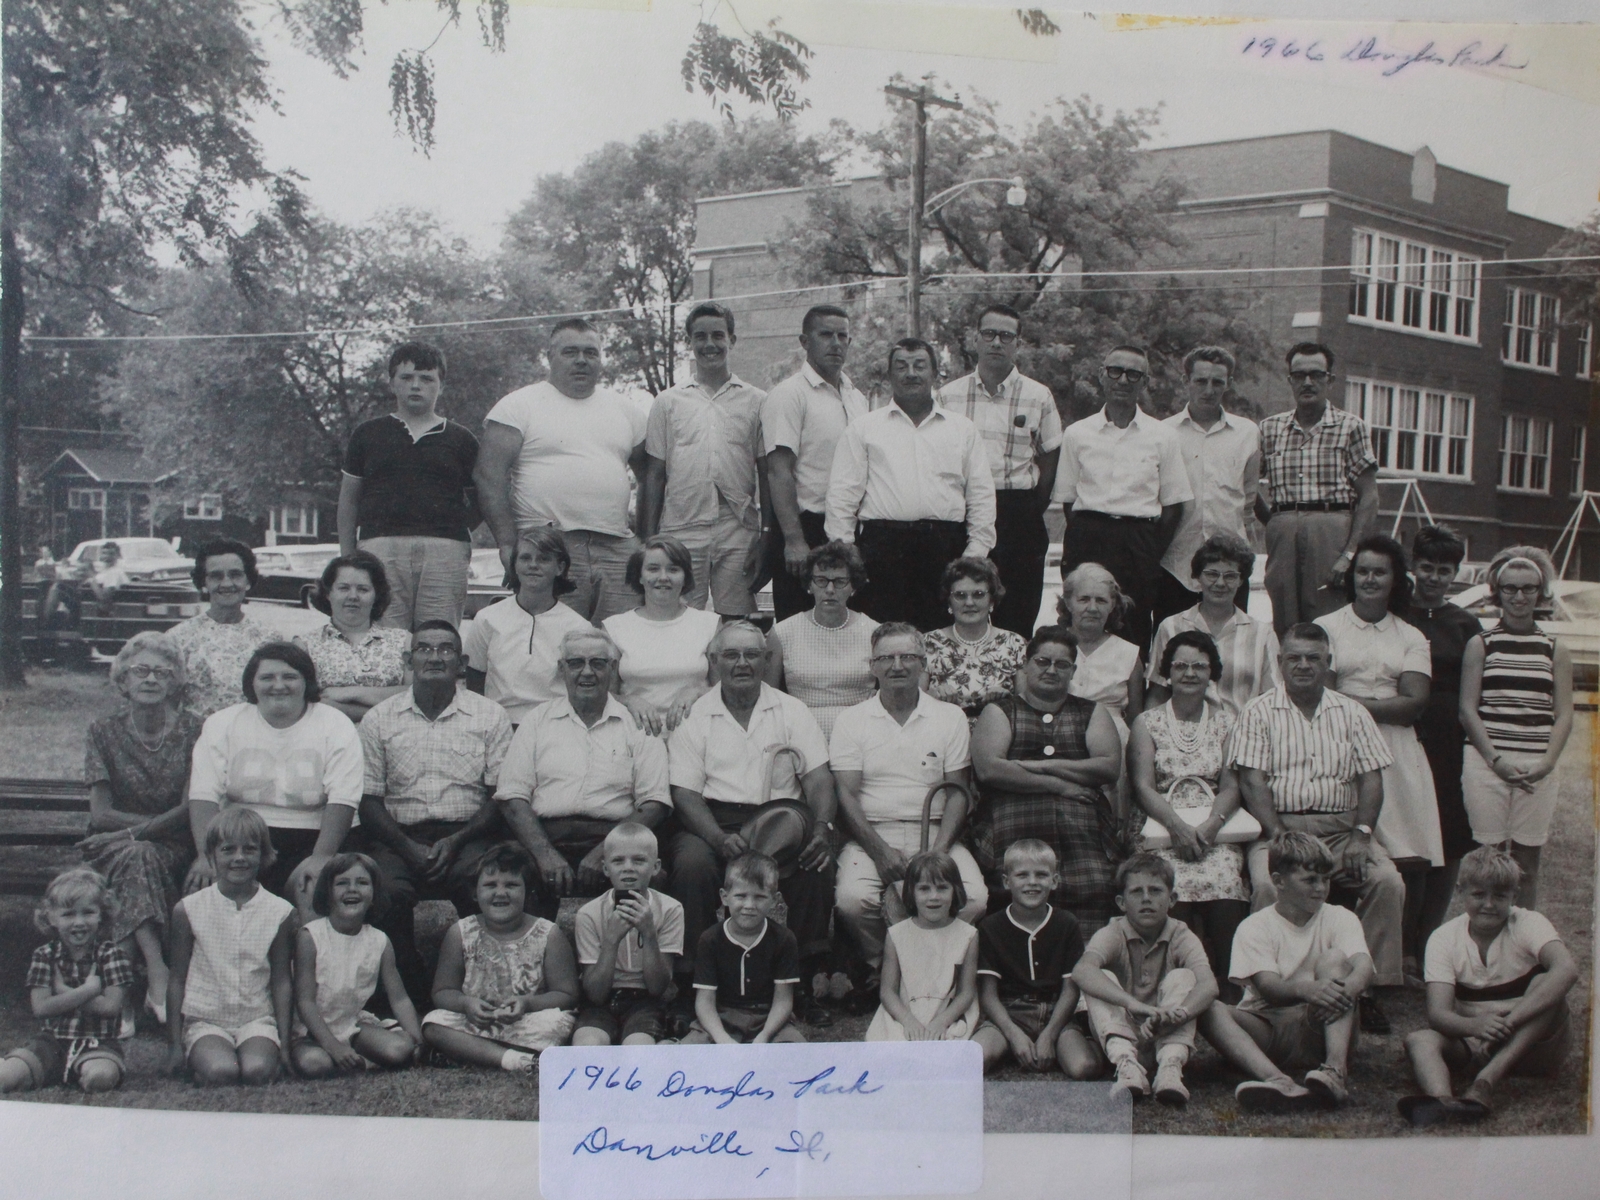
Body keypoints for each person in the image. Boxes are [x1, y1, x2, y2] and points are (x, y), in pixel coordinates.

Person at [1232, 623, 1404, 1032]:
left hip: (1341, 831)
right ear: (1280, 662)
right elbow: (1252, 781)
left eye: (1313, 658)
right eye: (1294, 658)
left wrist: (1362, 835)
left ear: (1328, 662)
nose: (1304, 665)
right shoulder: (1258, 711)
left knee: (1387, 882)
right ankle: (1272, 989)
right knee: (1268, 885)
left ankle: (1363, 991)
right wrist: (1277, 833)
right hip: (1280, 828)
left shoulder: (1352, 712)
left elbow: (1371, 779)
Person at [666, 621, 837, 1021]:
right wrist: (716, 837)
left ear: (766, 659)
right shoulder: (696, 715)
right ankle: (694, 982)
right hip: (714, 820)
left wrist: (821, 829)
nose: (741, 663)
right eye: (731, 655)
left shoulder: (792, 710)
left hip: (782, 820)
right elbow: (685, 794)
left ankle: (801, 983)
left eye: (751, 655)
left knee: (816, 864)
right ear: (713, 661)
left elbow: (818, 780)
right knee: (691, 864)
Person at [356, 621, 514, 1004]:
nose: (435, 657)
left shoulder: (490, 715)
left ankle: (485, 990)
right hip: (398, 836)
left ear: (462, 662)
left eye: (445, 649)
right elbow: (369, 800)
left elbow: (500, 796)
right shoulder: (379, 718)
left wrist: (457, 840)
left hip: (469, 834)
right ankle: (409, 995)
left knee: (486, 885)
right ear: (408, 660)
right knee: (383, 891)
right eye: (424, 649)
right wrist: (406, 846)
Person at [1315, 535, 1443, 987]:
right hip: (1336, 746)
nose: (1369, 579)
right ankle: (1333, 957)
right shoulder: (1326, 627)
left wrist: (1349, 703)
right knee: (1346, 851)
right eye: (1363, 571)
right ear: (1352, 577)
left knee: (1404, 856)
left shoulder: (1411, 636)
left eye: (1379, 572)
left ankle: (1393, 959)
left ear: (1395, 580)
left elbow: (1414, 703)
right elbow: (1319, 695)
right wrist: (1374, 704)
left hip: (1397, 750)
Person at [832, 623, 987, 975]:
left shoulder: (950, 717)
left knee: (974, 899)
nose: (897, 666)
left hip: (935, 833)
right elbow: (846, 795)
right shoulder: (851, 720)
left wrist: (937, 853)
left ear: (923, 663)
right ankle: (886, 967)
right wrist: (879, 852)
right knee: (853, 901)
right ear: (872, 666)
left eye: (907, 657)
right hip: (872, 835)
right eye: (886, 658)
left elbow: (957, 793)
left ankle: (937, 968)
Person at [475, 317, 648, 624]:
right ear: (550, 356)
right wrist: (507, 543)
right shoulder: (518, 405)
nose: (581, 360)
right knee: (553, 640)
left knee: (619, 640)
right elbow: (489, 477)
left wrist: (645, 539)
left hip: (617, 547)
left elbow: (651, 476)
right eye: (570, 352)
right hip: (549, 545)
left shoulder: (626, 410)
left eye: (590, 352)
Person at [1399, 846, 1579, 1126]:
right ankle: (1444, 1101)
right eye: (1478, 894)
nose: (1489, 904)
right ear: (1460, 892)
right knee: (1419, 1040)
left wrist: (1507, 1025)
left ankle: (1484, 1083)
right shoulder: (1444, 938)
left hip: (1535, 1046)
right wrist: (1477, 1027)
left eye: (1500, 896)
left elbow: (1567, 970)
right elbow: (1438, 1014)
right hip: (1478, 1043)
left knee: (1546, 982)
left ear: (1515, 896)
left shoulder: (1528, 923)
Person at [825, 337, 997, 631]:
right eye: (901, 366)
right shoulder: (865, 429)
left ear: (935, 373)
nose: (911, 373)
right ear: (890, 375)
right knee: (882, 636)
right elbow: (842, 497)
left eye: (919, 365)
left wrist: (973, 555)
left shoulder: (962, 430)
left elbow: (981, 497)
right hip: (882, 550)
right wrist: (848, 555)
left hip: (944, 548)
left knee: (941, 636)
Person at [495, 628, 671, 907]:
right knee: (508, 870)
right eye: (576, 663)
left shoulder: (637, 724)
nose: (587, 672)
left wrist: (605, 851)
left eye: (597, 663)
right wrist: (545, 854)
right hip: (545, 833)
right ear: (561, 669)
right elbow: (512, 796)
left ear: (613, 668)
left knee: (648, 875)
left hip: (615, 835)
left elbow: (654, 803)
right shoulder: (536, 720)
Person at [77, 631, 202, 1022]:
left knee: (139, 855)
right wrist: (143, 832)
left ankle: (121, 993)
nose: (150, 679)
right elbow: (100, 814)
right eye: (140, 671)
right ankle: (157, 971)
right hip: (113, 846)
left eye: (161, 672)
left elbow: (190, 808)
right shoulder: (102, 730)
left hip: (172, 846)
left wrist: (131, 832)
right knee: (139, 856)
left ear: (175, 682)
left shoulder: (196, 730)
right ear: (123, 679)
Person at [187, 641, 363, 914]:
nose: (278, 685)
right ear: (252, 683)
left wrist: (321, 858)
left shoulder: (335, 723)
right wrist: (206, 855)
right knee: (204, 889)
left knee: (313, 887)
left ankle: (309, 942)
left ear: (306, 681)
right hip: (242, 838)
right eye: (267, 677)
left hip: (315, 837)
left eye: (289, 677)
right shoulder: (222, 723)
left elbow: (343, 797)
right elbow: (203, 794)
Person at [971, 626, 1123, 932]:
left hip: (1083, 832)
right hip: (1011, 828)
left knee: (1094, 889)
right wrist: (1059, 785)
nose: (1051, 670)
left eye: (1062, 664)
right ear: (1025, 666)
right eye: (1042, 661)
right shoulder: (1000, 711)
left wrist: (1042, 765)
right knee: (1010, 893)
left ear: (1073, 671)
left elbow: (1108, 767)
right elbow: (990, 770)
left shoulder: (1092, 712)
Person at [1128, 631, 1252, 993]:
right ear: (1167, 671)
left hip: (1216, 828)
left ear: (1213, 672)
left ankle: (1229, 991)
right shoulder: (1147, 722)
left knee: (1227, 881)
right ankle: (1172, 990)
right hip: (1161, 827)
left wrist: (1212, 825)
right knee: (1168, 885)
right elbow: (1143, 787)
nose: (1190, 673)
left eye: (1199, 666)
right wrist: (1177, 827)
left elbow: (1231, 786)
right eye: (1181, 665)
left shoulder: (1227, 721)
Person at [1053, 344, 1193, 650]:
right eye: (1115, 371)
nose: (1123, 380)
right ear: (1102, 375)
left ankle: (1132, 682)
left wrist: (1149, 549)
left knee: (1133, 624)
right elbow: (1068, 500)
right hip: (1088, 536)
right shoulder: (1077, 433)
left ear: (1145, 382)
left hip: (1138, 542)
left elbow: (1174, 506)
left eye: (1133, 374)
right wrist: (1089, 532)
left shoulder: (1163, 436)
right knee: (1082, 619)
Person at [936, 304, 1063, 636]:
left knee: (1017, 615)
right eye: (989, 334)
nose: (996, 342)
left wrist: (1030, 507)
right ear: (975, 339)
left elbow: (1051, 456)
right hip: (962, 515)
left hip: (1018, 515)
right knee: (957, 607)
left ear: (1018, 343)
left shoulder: (1038, 396)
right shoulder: (948, 397)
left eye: (1006, 336)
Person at [1223, 831, 1374, 1109]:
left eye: (1325, 879)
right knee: (1211, 1008)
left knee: (1334, 960)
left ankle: (1335, 1071)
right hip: (1268, 1027)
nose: (1320, 888)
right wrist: (1307, 989)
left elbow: (1363, 966)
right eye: (1310, 880)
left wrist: (1341, 992)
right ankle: (1278, 1081)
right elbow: (1269, 988)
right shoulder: (1255, 926)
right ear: (1279, 881)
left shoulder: (1341, 917)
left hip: (1323, 1025)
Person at [1459, 546, 1574, 909]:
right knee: (1486, 862)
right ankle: (1485, 933)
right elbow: (1467, 710)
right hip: (1486, 764)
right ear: (1498, 592)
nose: (1519, 596)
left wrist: (1546, 764)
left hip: (1536, 766)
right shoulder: (1481, 644)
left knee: (1527, 865)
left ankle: (1523, 938)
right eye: (1510, 588)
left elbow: (1565, 714)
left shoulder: (1555, 648)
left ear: (1541, 593)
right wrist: (1496, 762)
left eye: (1528, 588)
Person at [338, 342, 479, 631]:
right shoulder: (367, 434)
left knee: (438, 636)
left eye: (426, 378)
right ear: (392, 383)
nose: (416, 385)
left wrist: (452, 527)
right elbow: (349, 500)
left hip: (445, 552)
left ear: (441, 385)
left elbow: (483, 499)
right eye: (406, 377)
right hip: (380, 548)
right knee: (384, 638)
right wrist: (348, 559)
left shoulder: (461, 439)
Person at [640, 302, 770, 617]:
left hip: (737, 526)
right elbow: (654, 474)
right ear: (690, 342)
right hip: (681, 526)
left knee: (737, 620)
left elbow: (767, 473)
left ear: (732, 340)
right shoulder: (668, 402)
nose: (709, 344)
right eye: (700, 337)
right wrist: (648, 540)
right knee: (679, 618)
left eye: (717, 335)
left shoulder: (757, 401)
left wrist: (766, 535)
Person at [164, 807, 296, 1086]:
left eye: (249, 849)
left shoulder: (280, 911)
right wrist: (174, 1046)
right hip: (206, 1019)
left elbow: (282, 980)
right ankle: (200, 1058)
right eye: (228, 849)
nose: (239, 857)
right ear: (211, 855)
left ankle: (263, 1054)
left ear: (263, 854)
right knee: (222, 1071)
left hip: (256, 1019)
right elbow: (176, 979)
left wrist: (284, 1045)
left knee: (257, 1071)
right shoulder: (188, 909)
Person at [1073, 853, 1218, 1104]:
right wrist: (1132, 1003)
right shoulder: (1113, 931)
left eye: (1155, 890)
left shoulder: (1181, 934)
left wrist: (1179, 1014)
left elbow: (1209, 985)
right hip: (1121, 1033)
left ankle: (1170, 1068)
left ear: (1172, 899)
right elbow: (1082, 971)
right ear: (1121, 902)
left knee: (1184, 976)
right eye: (1137, 892)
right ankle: (1127, 1067)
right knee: (1099, 977)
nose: (1146, 898)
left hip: (1166, 1032)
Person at [1255, 343, 1378, 635]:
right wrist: (1274, 521)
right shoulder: (1269, 428)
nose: (1307, 382)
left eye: (1316, 375)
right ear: (1290, 380)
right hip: (1283, 529)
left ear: (1330, 379)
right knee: (1284, 619)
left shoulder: (1351, 427)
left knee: (1328, 619)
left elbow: (1369, 497)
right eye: (1299, 375)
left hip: (1331, 529)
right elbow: (1247, 487)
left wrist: (1349, 554)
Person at [422, 842, 578, 1068]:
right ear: (475, 893)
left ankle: (472, 1052)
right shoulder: (460, 932)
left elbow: (567, 994)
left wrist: (527, 1003)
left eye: (512, 885)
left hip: (527, 1019)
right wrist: (466, 1004)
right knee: (433, 1023)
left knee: (556, 1024)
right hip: (476, 1020)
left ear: (528, 892)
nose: (501, 893)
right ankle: (516, 1059)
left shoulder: (548, 934)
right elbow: (442, 992)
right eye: (490, 885)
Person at [1406, 524, 1486, 951]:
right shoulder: (1397, 612)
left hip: (1447, 740)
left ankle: (1429, 940)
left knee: (1448, 832)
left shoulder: (1465, 623)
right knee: (1410, 832)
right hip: (1404, 732)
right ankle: (1404, 942)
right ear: (1413, 566)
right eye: (1426, 567)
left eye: (1444, 570)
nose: (1434, 577)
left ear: (1455, 573)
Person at [762, 305, 868, 621]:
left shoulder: (857, 398)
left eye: (842, 336)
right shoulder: (789, 395)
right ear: (805, 341)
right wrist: (794, 539)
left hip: (850, 528)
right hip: (806, 528)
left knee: (848, 626)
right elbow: (778, 471)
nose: (835, 343)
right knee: (799, 626)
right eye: (825, 335)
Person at [0, 867, 133, 1095]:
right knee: (5, 1077)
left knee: (101, 1077)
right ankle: (29, 1067)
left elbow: (110, 1007)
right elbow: (41, 1008)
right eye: (68, 914)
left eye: (88, 912)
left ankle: (83, 1071)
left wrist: (62, 991)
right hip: (49, 1043)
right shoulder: (44, 955)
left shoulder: (112, 955)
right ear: (52, 918)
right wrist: (87, 990)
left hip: (97, 1043)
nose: (79, 922)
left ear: (101, 914)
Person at [971, 840, 1099, 1078]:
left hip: (1054, 1013)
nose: (1032, 882)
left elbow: (1070, 990)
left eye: (1041, 875)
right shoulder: (990, 926)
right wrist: (1013, 1035)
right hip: (1009, 1014)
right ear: (1007, 881)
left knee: (1083, 1067)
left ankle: (1082, 1041)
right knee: (973, 1059)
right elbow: (988, 995)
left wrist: (1050, 1035)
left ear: (1055, 880)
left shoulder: (1067, 923)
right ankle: (1014, 1046)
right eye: (1022, 875)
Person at [291, 853, 425, 1077]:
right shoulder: (310, 937)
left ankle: (355, 1057)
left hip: (351, 1024)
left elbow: (399, 999)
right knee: (316, 1064)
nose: (352, 889)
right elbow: (305, 1002)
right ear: (327, 893)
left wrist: (417, 1040)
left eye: (362, 883)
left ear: (374, 895)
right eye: (342, 883)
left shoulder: (379, 940)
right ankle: (346, 1057)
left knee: (400, 1049)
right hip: (311, 1030)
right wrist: (333, 1047)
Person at [1153, 346, 1259, 628]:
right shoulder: (1163, 432)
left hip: (1230, 567)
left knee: (1230, 643)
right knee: (1172, 643)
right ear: (1186, 380)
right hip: (1176, 564)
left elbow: (1248, 500)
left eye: (1217, 382)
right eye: (1201, 381)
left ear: (1229, 383)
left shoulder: (1248, 433)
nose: (1209, 390)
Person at [463, 527, 595, 726]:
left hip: (555, 725)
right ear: (514, 565)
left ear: (560, 568)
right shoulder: (487, 619)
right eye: (525, 558)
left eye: (543, 559)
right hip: (499, 725)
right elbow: (474, 680)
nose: (533, 565)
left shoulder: (578, 627)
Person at [572, 823, 684, 1047]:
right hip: (602, 1002)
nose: (628, 868)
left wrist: (649, 933)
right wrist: (611, 939)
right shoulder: (589, 914)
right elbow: (595, 994)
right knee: (586, 1045)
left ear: (655, 867)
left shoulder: (671, 909)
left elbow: (657, 987)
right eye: (618, 861)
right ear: (606, 868)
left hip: (647, 1001)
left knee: (637, 1047)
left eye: (639, 860)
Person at [1146, 534, 1279, 720]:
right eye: (1212, 574)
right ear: (1197, 577)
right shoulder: (1171, 627)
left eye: (1230, 576)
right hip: (1185, 730)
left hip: (1244, 730)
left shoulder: (1262, 634)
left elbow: (1272, 698)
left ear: (1241, 580)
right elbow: (1158, 693)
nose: (1220, 583)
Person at [682, 852, 807, 1045]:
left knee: (795, 1047)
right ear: (724, 897)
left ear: (774, 900)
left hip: (767, 1017)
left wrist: (765, 1036)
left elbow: (783, 1001)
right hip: (721, 1016)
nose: (749, 905)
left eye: (760, 897)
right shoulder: (710, 939)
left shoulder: (784, 939)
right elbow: (705, 1002)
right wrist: (722, 1038)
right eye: (740, 896)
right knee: (691, 1048)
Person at [602, 534, 719, 735]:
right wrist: (628, 701)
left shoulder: (710, 624)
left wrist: (698, 691)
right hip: (635, 734)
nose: (663, 577)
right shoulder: (614, 628)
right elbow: (603, 694)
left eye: (673, 569)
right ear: (639, 576)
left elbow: (727, 690)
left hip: (698, 733)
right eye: (653, 569)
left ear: (685, 576)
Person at [764, 540, 879, 740]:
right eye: (821, 580)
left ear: (853, 587)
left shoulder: (874, 632)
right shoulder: (782, 632)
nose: (830, 589)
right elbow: (768, 698)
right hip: (800, 733)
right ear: (809, 585)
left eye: (840, 581)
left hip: (862, 733)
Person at [864, 850, 981, 1042]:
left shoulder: (968, 935)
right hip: (905, 1013)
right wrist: (908, 1021)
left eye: (942, 888)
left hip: (948, 1014)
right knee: (891, 1046)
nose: (934, 896)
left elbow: (966, 993)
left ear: (955, 890)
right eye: (924, 889)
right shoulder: (897, 934)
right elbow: (887, 992)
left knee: (952, 1045)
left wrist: (942, 1022)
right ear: (911, 892)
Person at [296, 550, 410, 723]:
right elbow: (304, 704)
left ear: (376, 595)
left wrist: (352, 693)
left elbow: (416, 696)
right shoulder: (305, 645)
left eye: (363, 589)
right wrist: (384, 704)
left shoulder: (403, 641)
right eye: (343, 588)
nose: (353, 596)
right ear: (328, 593)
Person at [169, 538, 278, 718]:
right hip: (200, 733)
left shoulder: (269, 638)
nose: (227, 583)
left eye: (235, 575)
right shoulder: (179, 638)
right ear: (203, 582)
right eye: (216, 576)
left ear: (248, 580)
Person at [923, 557, 1029, 722]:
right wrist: (932, 696)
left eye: (978, 594)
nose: (969, 602)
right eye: (960, 595)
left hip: (998, 732)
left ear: (991, 600)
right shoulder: (928, 642)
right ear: (949, 601)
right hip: (943, 730)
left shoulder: (1015, 643)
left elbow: (1026, 707)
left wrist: (1007, 699)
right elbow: (914, 703)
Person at [1057, 563, 1144, 742]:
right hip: (1057, 736)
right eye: (1084, 599)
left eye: (1101, 600)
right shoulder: (1050, 644)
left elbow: (1135, 720)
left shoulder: (1129, 654)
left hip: (1112, 742)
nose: (1093, 608)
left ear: (1112, 605)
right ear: (1068, 602)